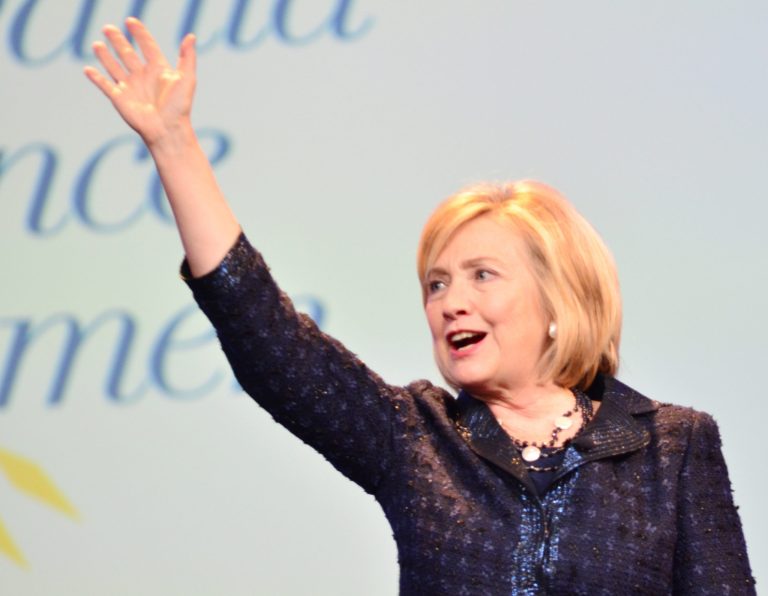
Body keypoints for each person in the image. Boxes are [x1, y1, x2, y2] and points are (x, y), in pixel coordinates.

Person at [85, 18, 755, 595]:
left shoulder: (673, 446)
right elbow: (266, 335)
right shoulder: (417, 437)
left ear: (559, 297)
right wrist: (175, 146)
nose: (450, 303)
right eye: (436, 285)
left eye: (481, 276)